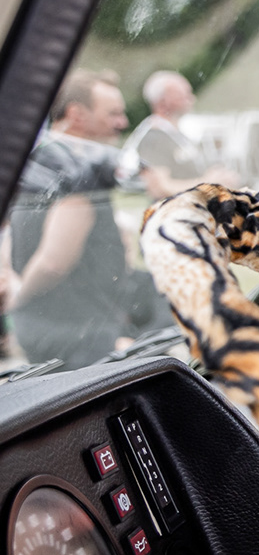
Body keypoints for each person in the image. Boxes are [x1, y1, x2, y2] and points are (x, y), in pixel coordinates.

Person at [9, 69, 160, 365]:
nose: (123, 122)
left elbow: (12, 232)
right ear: (77, 114)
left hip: (55, 325)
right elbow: (53, 262)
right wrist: (19, 300)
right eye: (113, 113)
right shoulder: (76, 170)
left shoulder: (37, 160)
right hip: (77, 333)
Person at [120, 69, 228, 196]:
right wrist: (209, 183)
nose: (191, 98)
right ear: (163, 102)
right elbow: (160, 188)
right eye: (183, 94)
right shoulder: (154, 136)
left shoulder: (173, 132)